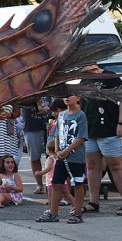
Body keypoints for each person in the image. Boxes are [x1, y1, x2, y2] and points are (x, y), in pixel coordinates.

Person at [80, 64, 122, 216]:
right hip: (89, 130)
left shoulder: (109, 76)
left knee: (116, 165)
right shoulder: (83, 80)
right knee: (92, 166)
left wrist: (121, 122)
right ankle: (93, 202)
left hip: (109, 128)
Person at [37, 95, 88, 224]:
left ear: (77, 98)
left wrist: (66, 151)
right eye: (64, 96)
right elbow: (57, 134)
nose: (66, 98)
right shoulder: (61, 115)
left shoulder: (81, 115)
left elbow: (81, 137)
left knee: (78, 184)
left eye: (69, 96)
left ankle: (77, 212)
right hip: (61, 157)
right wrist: (57, 150)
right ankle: (53, 212)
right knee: (56, 183)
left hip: (76, 157)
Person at [23, 97, 51, 195]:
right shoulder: (27, 87)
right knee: (35, 157)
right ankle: (39, 185)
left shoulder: (50, 85)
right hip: (32, 126)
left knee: (53, 156)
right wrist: (39, 107)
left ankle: (51, 184)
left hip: (51, 123)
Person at [36, 142, 74, 209]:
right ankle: (75, 206)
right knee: (67, 194)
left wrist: (40, 173)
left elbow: (48, 168)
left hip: (51, 181)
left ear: (48, 150)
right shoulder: (59, 158)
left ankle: (51, 209)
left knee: (51, 196)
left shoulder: (50, 158)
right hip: (62, 180)